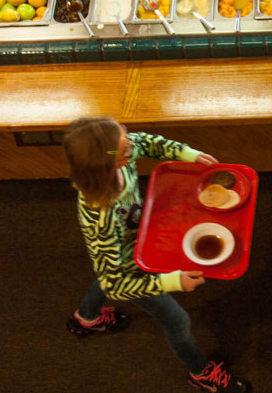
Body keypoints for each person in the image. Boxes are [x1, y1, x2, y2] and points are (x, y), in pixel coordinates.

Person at [62, 116, 250, 392]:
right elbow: (116, 283)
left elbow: (146, 142)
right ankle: (199, 373)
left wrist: (190, 155)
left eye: (125, 133)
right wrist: (173, 282)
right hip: (131, 269)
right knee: (177, 320)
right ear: (110, 160)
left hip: (135, 239)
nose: (131, 143)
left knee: (104, 273)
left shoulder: (116, 152)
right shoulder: (100, 220)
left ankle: (86, 318)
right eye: (125, 145)